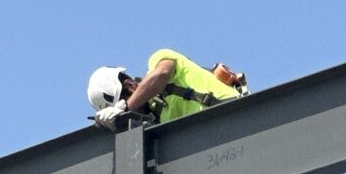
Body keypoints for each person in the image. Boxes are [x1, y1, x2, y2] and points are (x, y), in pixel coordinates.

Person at [86, 51, 248, 131]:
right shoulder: (159, 116)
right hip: (215, 134)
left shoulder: (159, 59)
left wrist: (125, 108)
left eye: (127, 99)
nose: (132, 114)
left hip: (234, 112)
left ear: (130, 85)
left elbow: (162, 73)